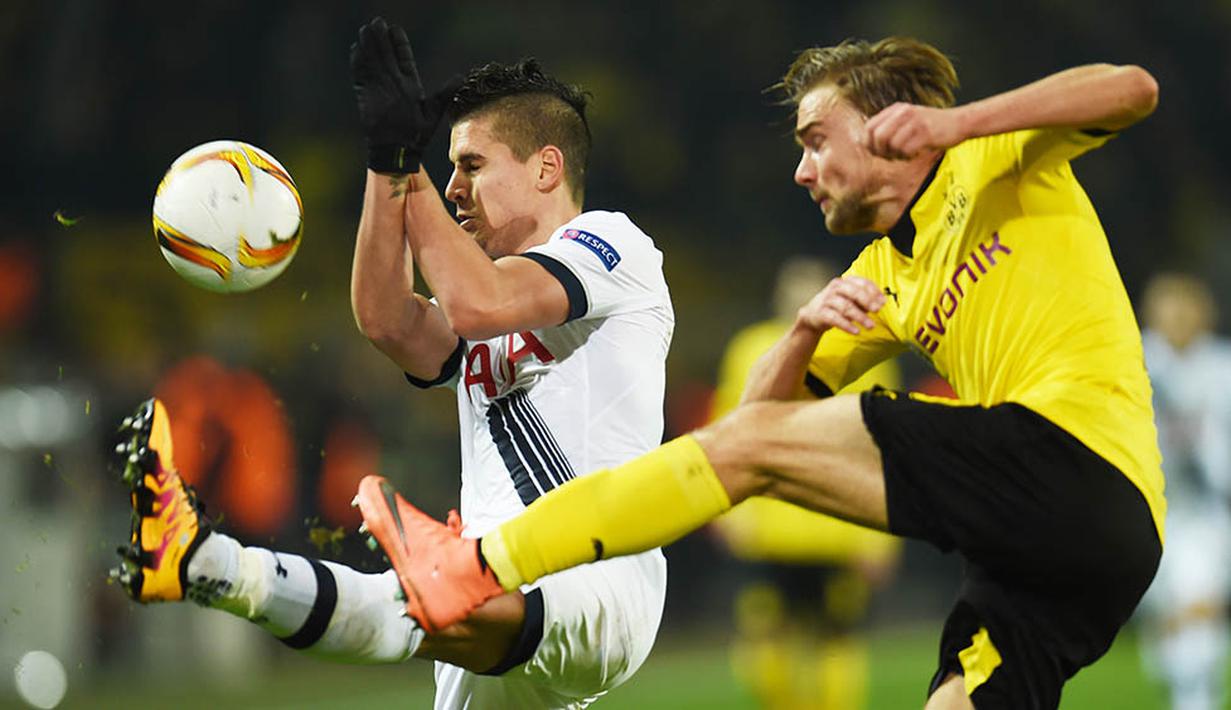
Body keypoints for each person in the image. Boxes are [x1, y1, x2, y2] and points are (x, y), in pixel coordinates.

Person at [366, 37, 1167, 709]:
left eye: (815, 140)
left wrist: (953, 124)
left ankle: (481, 564)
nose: (801, 171)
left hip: (1078, 457)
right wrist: (803, 332)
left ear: (888, 126)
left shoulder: (991, 157)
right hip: (1069, 549)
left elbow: (1131, 88)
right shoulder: (881, 279)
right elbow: (745, 429)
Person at [111, 17, 672, 709]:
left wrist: (411, 167)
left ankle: (205, 562)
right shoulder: (489, 290)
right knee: (419, 606)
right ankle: (205, 562)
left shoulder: (611, 245)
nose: (454, 187)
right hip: (494, 567)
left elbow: (477, 303)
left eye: (472, 165)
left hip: (590, 570)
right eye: (450, 168)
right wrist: (387, 163)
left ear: (546, 167)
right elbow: (388, 319)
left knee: (410, 606)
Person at [711, 257, 900, 710]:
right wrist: (728, 513)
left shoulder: (864, 347)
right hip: (778, 529)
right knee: (771, 640)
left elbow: (880, 447)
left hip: (836, 527)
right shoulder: (752, 347)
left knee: (831, 639)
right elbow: (726, 432)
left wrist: (879, 540)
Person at [1135, 273, 1231, 710]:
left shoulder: (1222, 367)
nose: (1177, 315)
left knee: (1198, 604)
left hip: (1204, 512)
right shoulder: (1132, 360)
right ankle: (1188, 684)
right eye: (1167, 305)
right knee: (1167, 635)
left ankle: (1196, 696)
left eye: (1185, 305)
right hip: (1145, 511)